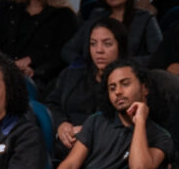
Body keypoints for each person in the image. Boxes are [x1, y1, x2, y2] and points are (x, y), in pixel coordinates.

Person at [50, 17, 130, 151]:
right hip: (66, 145)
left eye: (107, 44)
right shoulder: (73, 73)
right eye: (93, 44)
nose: (99, 50)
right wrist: (61, 124)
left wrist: (88, 131)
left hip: (106, 149)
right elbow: (52, 104)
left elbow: (127, 120)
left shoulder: (130, 81)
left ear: (120, 47)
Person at [83, 0, 163, 65]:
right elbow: (70, 49)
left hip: (132, 71)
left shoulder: (145, 18)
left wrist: (122, 63)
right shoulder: (96, 15)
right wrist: (84, 65)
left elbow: (159, 56)